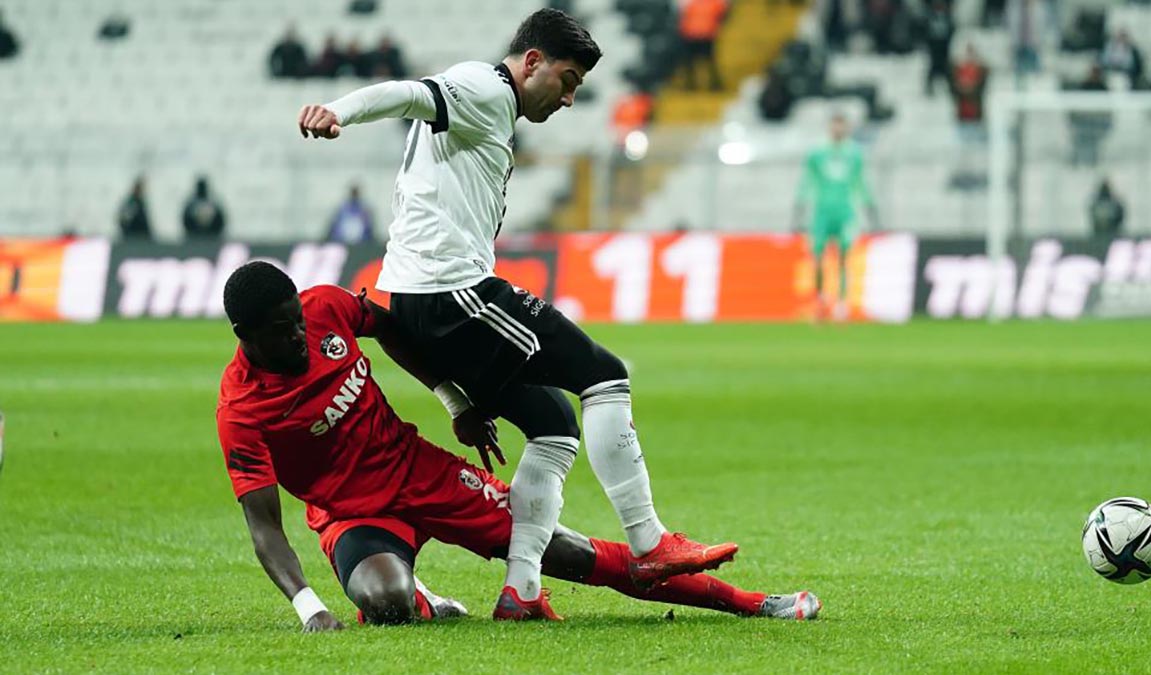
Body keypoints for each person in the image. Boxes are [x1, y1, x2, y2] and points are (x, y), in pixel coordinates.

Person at [295, 8, 737, 619]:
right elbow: (406, 93)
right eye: (568, 78)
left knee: (553, 423)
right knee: (605, 376)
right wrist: (336, 112)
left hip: (420, 301)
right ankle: (649, 540)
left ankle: (522, 589)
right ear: (532, 62)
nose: (570, 96)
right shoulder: (484, 88)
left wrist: (456, 400)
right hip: (453, 293)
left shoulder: (492, 105)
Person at [216, 261, 822, 628]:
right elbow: (265, 526)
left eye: (297, 319)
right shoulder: (242, 410)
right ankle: (421, 595)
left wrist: (455, 400)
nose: (299, 334)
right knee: (387, 601)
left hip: (419, 472)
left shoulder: (325, 308)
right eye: (281, 331)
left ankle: (752, 602)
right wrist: (309, 609)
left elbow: (397, 331)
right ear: (246, 336)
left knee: (563, 554)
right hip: (352, 513)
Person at [795, 112, 875, 321]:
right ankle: (821, 301)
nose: (838, 130)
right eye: (835, 126)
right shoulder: (817, 153)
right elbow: (807, 181)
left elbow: (860, 182)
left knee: (843, 258)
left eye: (841, 126)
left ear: (846, 128)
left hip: (845, 211)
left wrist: (868, 205)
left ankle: (841, 304)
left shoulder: (855, 153)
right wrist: (800, 204)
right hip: (822, 211)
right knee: (818, 258)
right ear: (830, 127)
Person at [679, 0, 728, 91]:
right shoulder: (714, 3)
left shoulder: (695, 3)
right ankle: (694, 84)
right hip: (698, 34)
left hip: (699, 34)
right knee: (695, 62)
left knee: (701, 62)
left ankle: (696, 84)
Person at [923, 1, 955, 96]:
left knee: (946, 70)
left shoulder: (947, 18)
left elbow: (951, 31)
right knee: (933, 68)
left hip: (944, 48)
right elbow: (926, 33)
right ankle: (929, 89)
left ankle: (951, 89)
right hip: (934, 49)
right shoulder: (930, 18)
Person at [117, 176, 153, 240]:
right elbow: (123, 220)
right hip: (134, 236)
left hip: (141, 236)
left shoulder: (139, 202)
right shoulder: (132, 203)